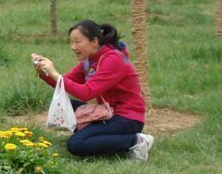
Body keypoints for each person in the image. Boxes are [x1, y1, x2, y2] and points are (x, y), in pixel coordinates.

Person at [32, 20, 154, 160]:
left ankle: (136, 141)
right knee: (62, 104)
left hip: (127, 118)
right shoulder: (89, 60)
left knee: (76, 144)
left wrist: (55, 74)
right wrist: (44, 72)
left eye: (78, 42)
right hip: (107, 112)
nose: (73, 47)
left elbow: (86, 93)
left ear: (94, 41)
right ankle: (98, 135)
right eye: (71, 42)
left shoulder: (113, 59)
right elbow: (64, 83)